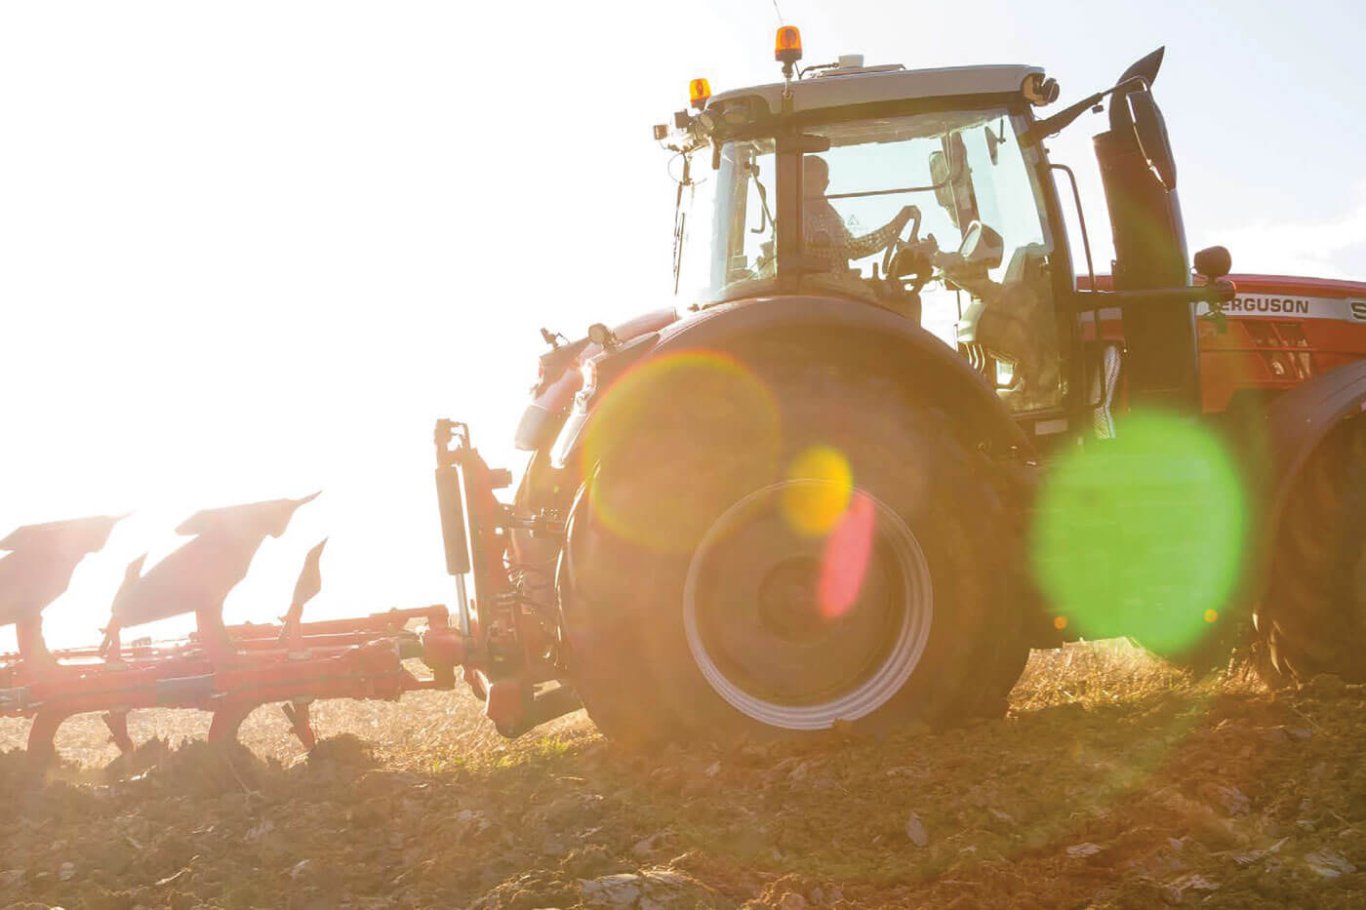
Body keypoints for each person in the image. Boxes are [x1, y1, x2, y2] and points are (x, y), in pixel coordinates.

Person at [802, 156, 916, 273]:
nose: (804, 191)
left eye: (810, 184)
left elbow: (853, 248)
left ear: (825, 185)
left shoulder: (831, 217)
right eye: (800, 185)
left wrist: (896, 223)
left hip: (836, 285)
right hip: (813, 288)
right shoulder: (795, 217)